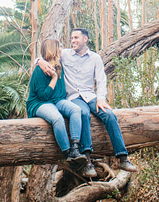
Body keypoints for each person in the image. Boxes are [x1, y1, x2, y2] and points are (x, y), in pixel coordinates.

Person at [56, 28, 138, 173]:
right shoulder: (64, 54)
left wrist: (101, 98)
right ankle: (88, 161)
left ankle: (123, 158)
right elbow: (44, 58)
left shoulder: (95, 58)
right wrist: (40, 62)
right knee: (83, 114)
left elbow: (101, 80)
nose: (73, 40)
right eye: (72, 38)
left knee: (110, 115)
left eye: (76, 38)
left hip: (90, 96)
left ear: (85, 39)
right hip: (73, 97)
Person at [27, 37, 98, 178]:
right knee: (57, 118)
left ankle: (75, 149)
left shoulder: (60, 66)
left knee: (75, 110)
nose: (62, 50)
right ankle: (67, 154)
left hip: (57, 100)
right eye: (59, 47)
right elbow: (43, 97)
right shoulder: (39, 71)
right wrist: (53, 79)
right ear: (53, 50)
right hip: (39, 103)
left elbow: (59, 94)